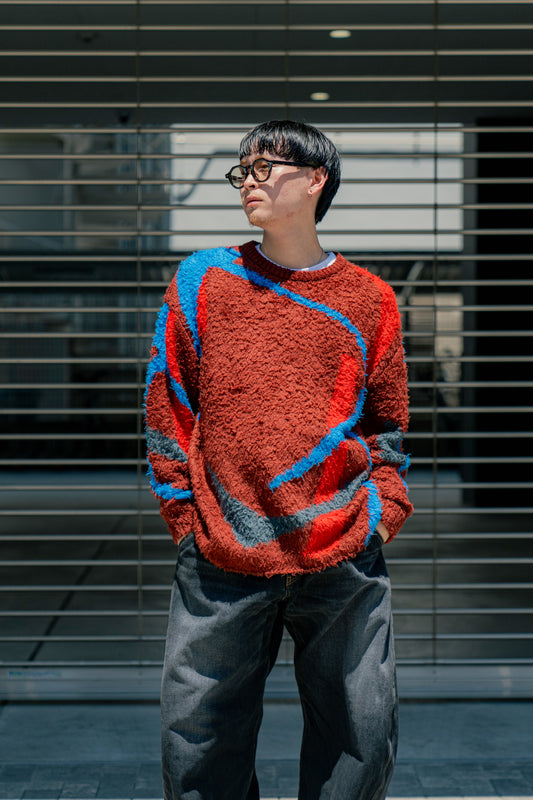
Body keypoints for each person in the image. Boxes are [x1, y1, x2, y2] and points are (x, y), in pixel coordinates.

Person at [144, 119, 413, 800]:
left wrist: (382, 512)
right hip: (222, 551)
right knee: (198, 737)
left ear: (316, 178)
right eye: (242, 170)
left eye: (265, 167)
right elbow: (168, 403)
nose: (248, 181)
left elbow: (386, 422)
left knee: (361, 732)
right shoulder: (205, 280)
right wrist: (184, 517)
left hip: (342, 551)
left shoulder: (370, 298)